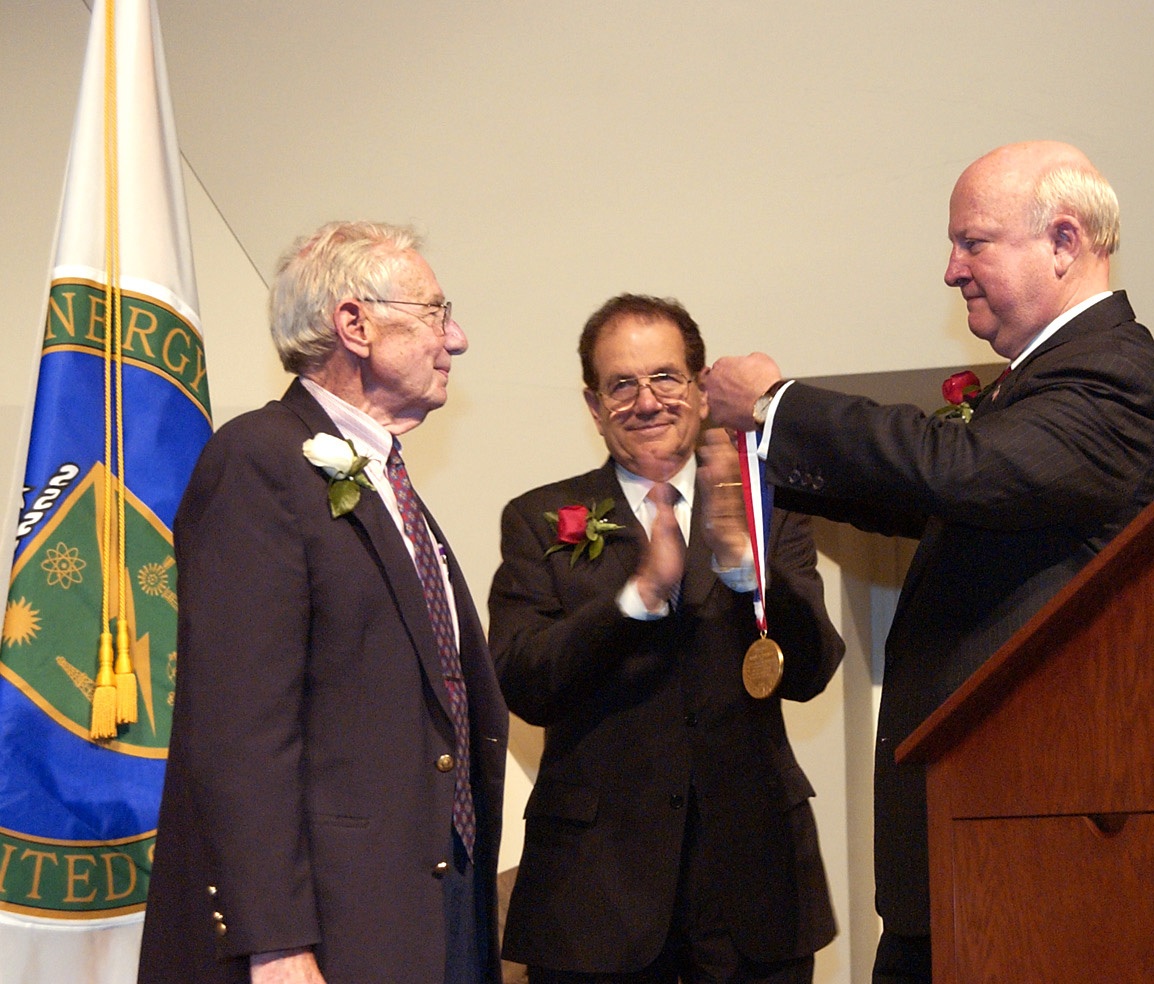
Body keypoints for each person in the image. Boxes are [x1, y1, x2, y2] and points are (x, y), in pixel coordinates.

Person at [702, 140, 1154, 983]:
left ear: (1063, 241)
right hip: (977, 838)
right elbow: (933, 496)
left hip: (1031, 847)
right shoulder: (1045, 382)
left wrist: (776, 405)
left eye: (972, 242)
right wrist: (766, 452)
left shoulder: (1115, 377)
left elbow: (963, 471)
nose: (951, 270)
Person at [138, 221, 509, 984]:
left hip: (430, 904)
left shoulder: (387, 479)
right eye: (436, 312)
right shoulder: (259, 460)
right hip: (330, 927)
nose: (458, 338)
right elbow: (239, 726)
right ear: (354, 324)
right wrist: (274, 941)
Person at [489, 294, 845, 983]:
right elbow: (523, 680)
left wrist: (746, 568)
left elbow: (811, 670)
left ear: (701, 386)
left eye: (664, 377)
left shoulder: (765, 503)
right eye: (620, 384)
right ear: (593, 405)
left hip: (754, 884)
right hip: (595, 893)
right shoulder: (538, 518)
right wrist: (635, 598)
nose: (645, 400)